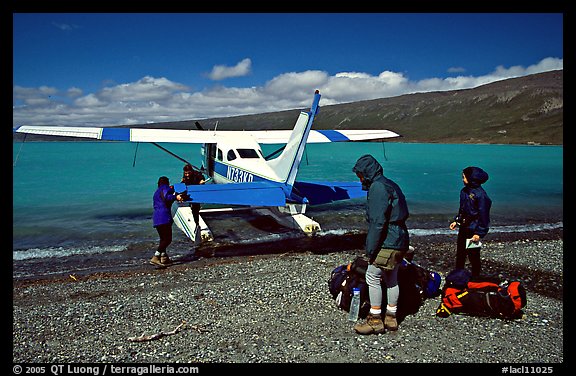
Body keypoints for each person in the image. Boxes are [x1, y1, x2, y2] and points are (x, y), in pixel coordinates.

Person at [351, 154, 410, 335]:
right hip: (400, 238)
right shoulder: (390, 184)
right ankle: (391, 317)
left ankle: (375, 320)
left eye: (360, 175)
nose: (359, 178)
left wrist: (370, 249)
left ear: (366, 173)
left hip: (388, 240)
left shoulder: (377, 188)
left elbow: (378, 222)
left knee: (372, 276)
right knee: (392, 277)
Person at [449, 166, 492, 277]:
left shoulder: (481, 195)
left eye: (464, 177)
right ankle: (458, 276)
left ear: (471, 178)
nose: (462, 179)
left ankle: (475, 277)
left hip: (474, 230)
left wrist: (479, 233)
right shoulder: (464, 191)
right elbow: (462, 209)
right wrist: (457, 221)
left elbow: (484, 216)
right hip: (464, 227)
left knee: (474, 256)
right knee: (460, 254)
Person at [151, 176, 183, 266]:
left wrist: (173, 192)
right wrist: (176, 197)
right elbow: (166, 197)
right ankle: (156, 257)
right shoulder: (165, 188)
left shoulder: (156, 192)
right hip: (164, 217)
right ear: (167, 183)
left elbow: (163, 197)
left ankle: (164, 257)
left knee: (163, 239)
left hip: (156, 218)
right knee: (168, 239)